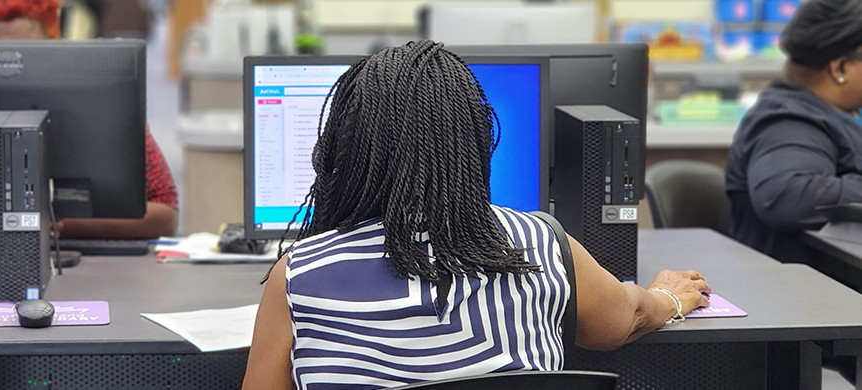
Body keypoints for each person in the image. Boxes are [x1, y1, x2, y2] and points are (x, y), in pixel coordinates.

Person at [242, 41, 711, 389]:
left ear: (345, 148)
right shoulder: (542, 245)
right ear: (474, 141)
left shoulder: (299, 275)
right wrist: (667, 298)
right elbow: (623, 320)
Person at [0, 0, 179, 240]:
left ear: (55, 43)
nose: (18, 73)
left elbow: (165, 215)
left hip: (92, 267)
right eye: (4, 61)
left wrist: (58, 224)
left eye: (29, 55)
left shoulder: (105, 105)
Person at [727, 0, 862, 266]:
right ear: (840, 68)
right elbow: (786, 195)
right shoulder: (789, 122)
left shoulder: (841, 111)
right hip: (816, 293)